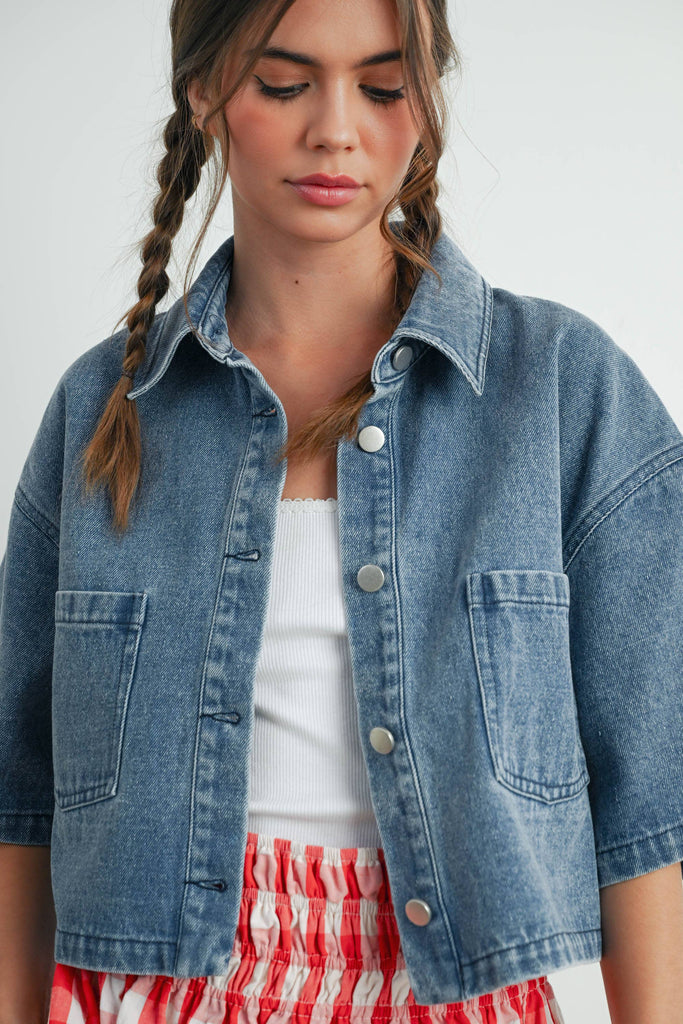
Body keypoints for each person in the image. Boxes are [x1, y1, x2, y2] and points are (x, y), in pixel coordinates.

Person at [1, 0, 682, 1021]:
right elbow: (20, 801)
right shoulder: (104, 409)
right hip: (155, 992)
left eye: (381, 85)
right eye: (282, 84)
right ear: (203, 92)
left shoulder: (560, 389)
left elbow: (648, 809)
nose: (335, 129)